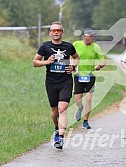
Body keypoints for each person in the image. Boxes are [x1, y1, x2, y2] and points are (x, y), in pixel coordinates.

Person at [33, 21, 79, 149]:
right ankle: (56, 127)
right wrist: (46, 62)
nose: (56, 32)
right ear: (50, 33)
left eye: (58, 30)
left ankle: (60, 137)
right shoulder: (45, 47)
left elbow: (76, 57)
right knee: (54, 111)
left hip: (66, 81)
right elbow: (35, 62)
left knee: (62, 109)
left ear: (62, 32)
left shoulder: (69, 46)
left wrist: (73, 66)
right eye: (53, 30)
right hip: (51, 82)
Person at [73, 28, 106, 129]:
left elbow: (103, 61)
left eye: (92, 38)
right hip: (78, 74)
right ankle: (80, 108)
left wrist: (99, 66)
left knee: (88, 98)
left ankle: (86, 120)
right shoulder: (76, 44)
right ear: (84, 37)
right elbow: (70, 56)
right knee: (78, 99)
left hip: (90, 75)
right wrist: (72, 65)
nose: (91, 39)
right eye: (89, 37)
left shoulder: (96, 47)